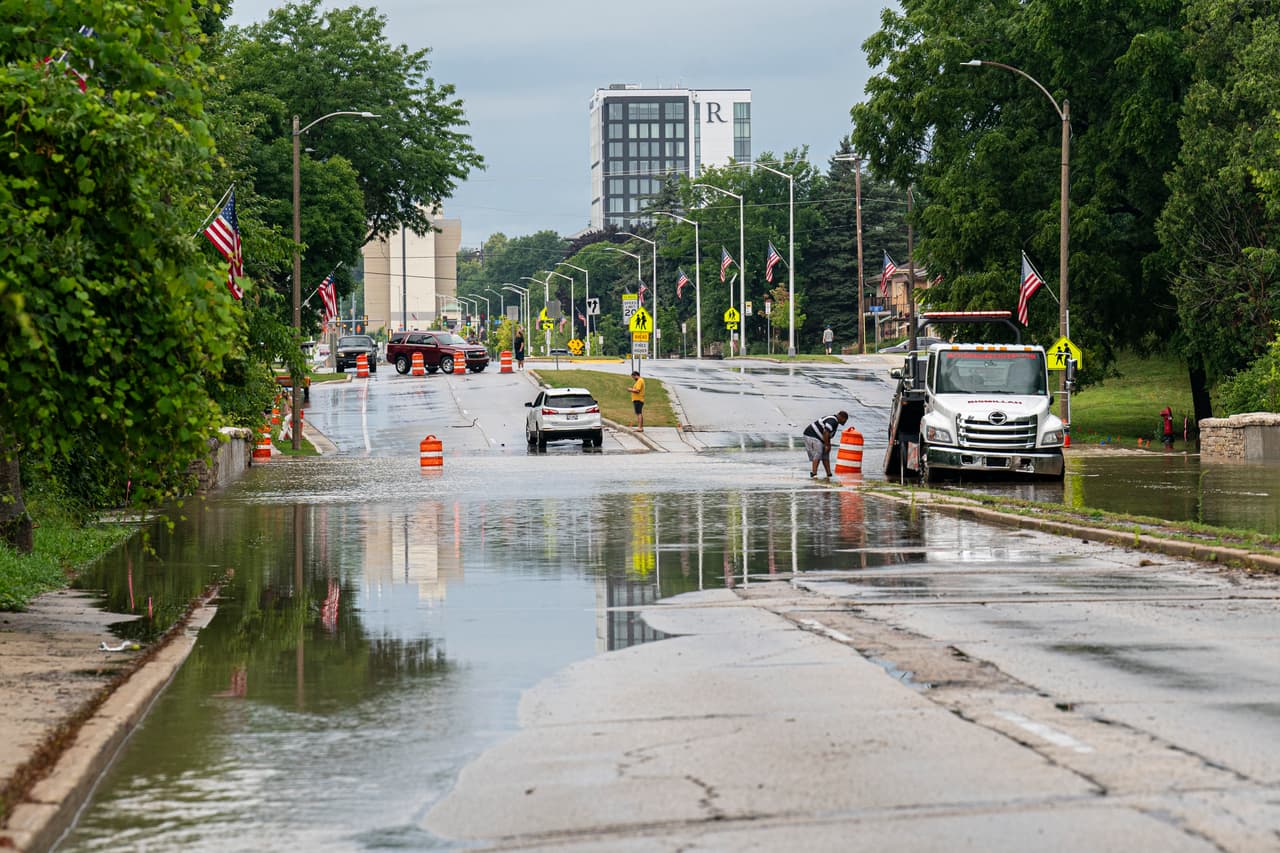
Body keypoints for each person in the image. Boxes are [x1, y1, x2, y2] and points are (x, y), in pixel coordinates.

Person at [803, 410, 849, 478]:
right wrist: (827, 445)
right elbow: (826, 432)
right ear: (842, 418)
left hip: (819, 437)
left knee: (826, 453)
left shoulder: (835, 421)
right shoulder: (833, 421)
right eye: (845, 420)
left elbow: (828, 435)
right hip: (812, 435)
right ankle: (814, 473)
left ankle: (829, 474)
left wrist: (828, 445)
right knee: (819, 452)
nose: (845, 422)